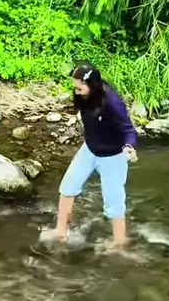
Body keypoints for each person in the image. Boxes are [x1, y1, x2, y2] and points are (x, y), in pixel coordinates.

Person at [48, 61, 137, 247]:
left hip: (113, 157)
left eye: (79, 88)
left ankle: (120, 243)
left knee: (114, 204)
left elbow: (128, 129)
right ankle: (60, 232)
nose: (76, 92)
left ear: (92, 85)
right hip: (89, 150)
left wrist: (129, 146)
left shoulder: (112, 102)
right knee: (67, 188)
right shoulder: (84, 96)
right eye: (75, 88)